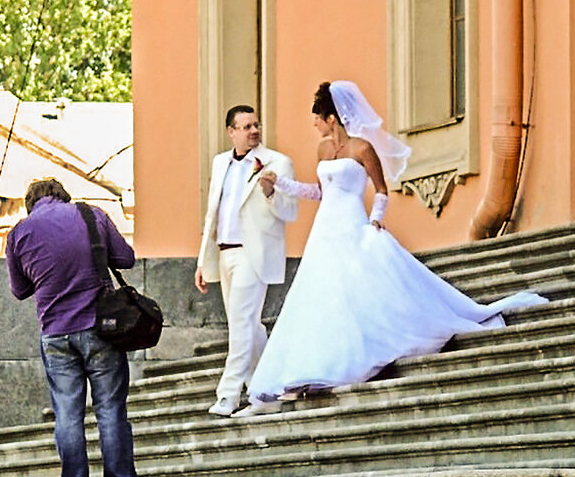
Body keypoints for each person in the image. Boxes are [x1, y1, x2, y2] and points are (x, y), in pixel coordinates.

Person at [233, 80, 548, 417]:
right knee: (320, 294)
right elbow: (320, 192)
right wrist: (279, 184)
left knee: (351, 289)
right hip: (325, 229)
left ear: (332, 118)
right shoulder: (323, 151)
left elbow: (381, 189)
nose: (315, 125)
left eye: (318, 119)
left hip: (353, 223)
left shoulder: (363, 149)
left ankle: (348, 357)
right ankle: (307, 367)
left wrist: (376, 220)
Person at [6, 177, 138, 477]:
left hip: (55, 334)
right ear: (64, 197)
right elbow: (126, 258)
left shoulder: (18, 234)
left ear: (30, 205)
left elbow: (20, 290)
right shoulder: (92, 215)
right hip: (101, 328)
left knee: (67, 415)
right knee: (110, 410)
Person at [195, 105, 299, 416]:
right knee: (248, 326)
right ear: (232, 132)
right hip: (224, 252)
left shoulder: (278, 162)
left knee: (240, 324)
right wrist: (203, 260)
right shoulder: (220, 163)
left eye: (256, 125)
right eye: (247, 126)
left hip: (253, 254)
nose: (254, 130)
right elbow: (214, 213)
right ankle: (268, 389)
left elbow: (290, 212)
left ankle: (228, 394)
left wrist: (270, 193)